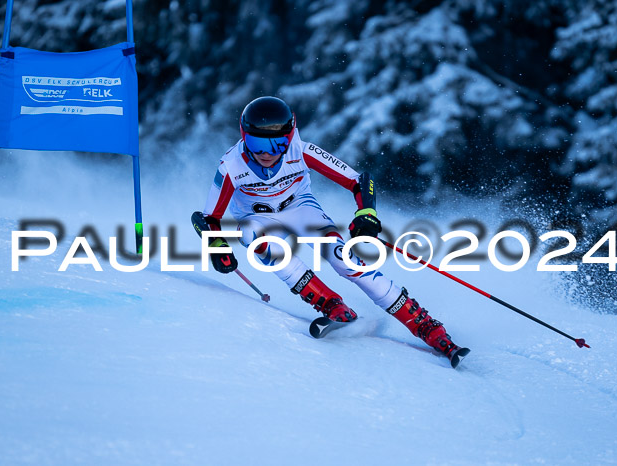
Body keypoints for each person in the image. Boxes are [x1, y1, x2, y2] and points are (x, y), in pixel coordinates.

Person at [195, 96, 468, 366]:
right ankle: (331, 306)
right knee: (259, 242)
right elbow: (210, 217)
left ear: (290, 137)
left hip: (300, 208)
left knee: (343, 259)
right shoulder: (231, 165)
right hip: (257, 217)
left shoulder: (300, 151)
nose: (266, 152)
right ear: (244, 137)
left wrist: (366, 213)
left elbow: (360, 181)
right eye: (256, 143)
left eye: (277, 143)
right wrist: (217, 246)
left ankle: (426, 325)